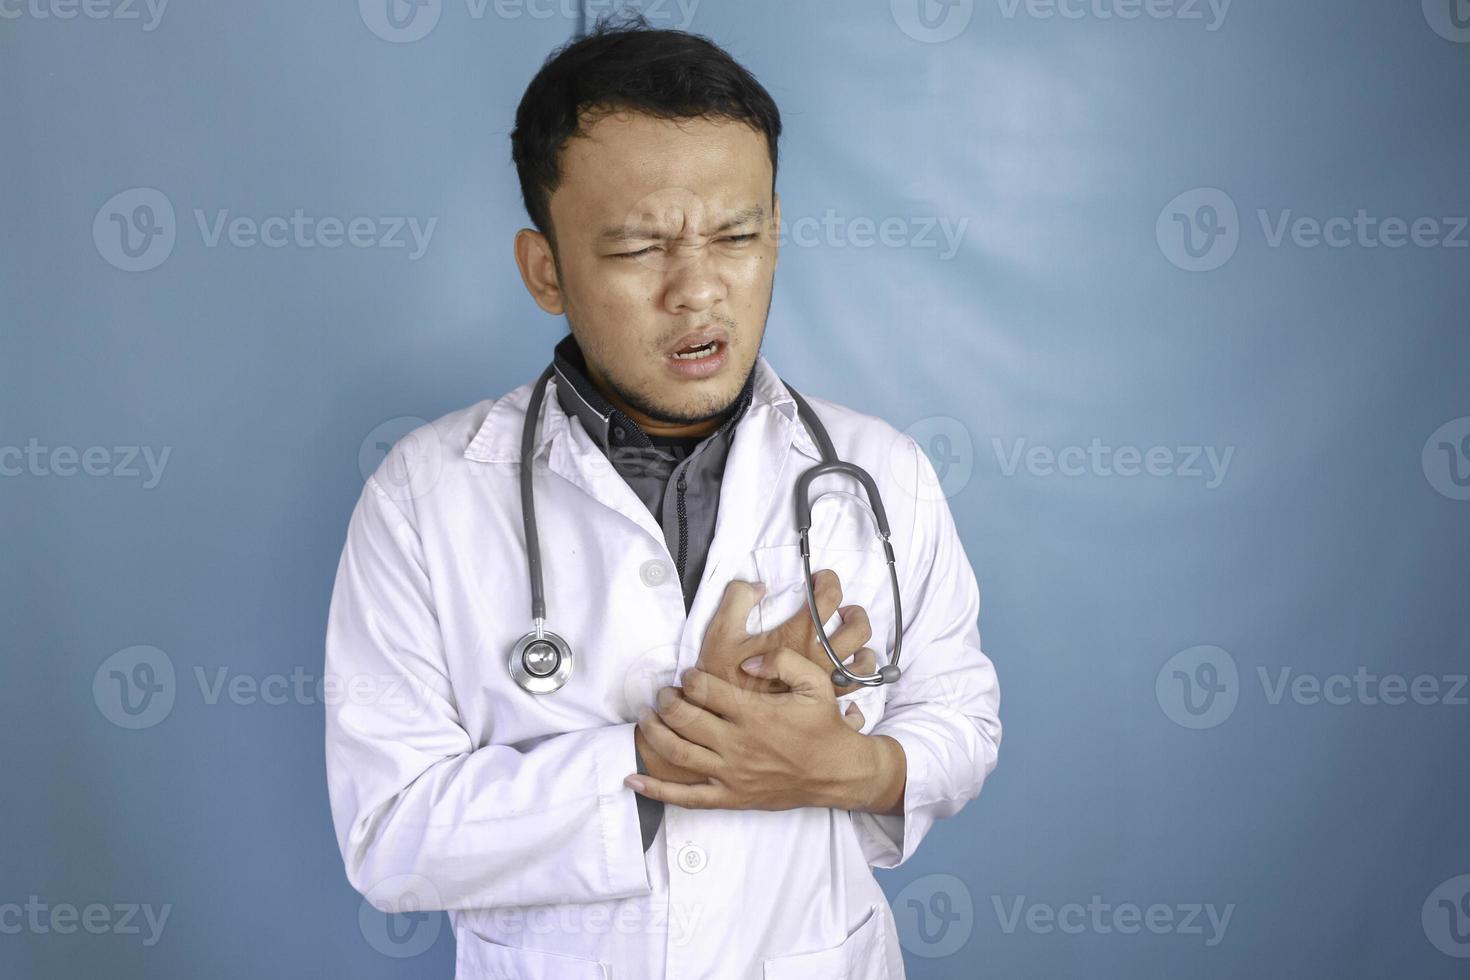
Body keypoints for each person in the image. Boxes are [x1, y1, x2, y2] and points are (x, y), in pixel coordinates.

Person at [324, 16, 1001, 979]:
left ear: (776, 233)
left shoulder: (876, 472)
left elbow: (962, 721)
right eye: (640, 249)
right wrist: (671, 757)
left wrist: (845, 766)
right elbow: (389, 836)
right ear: (545, 269)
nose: (699, 290)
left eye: (737, 235)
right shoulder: (424, 498)